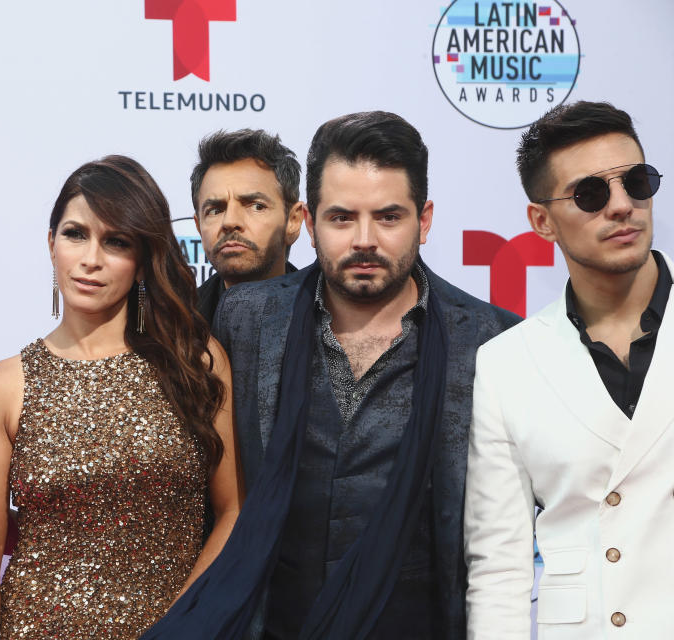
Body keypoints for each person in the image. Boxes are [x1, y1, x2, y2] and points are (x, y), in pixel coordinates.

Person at [165, 111, 519, 639]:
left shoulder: (490, 338)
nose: (364, 239)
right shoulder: (246, 319)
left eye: (389, 217)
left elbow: (504, 538)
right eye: (341, 218)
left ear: (423, 220)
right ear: (308, 222)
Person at [0, 155, 241, 638]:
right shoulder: (4, 385)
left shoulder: (195, 362)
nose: (91, 259)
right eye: (75, 234)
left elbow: (233, 512)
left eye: (116, 242)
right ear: (51, 244)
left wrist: (179, 627)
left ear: (143, 258)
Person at [465, 101, 670, 638]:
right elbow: (500, 565)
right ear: (541, 221)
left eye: (636, 182)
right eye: (591, 193)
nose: (623, 206)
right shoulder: (508, 363)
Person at [190, 129, 304, 322]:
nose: (230, 222)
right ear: (199, 227)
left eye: (256, 206)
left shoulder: (331, 318)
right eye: (215, 210)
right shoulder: (172, 328)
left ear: (293, 221)